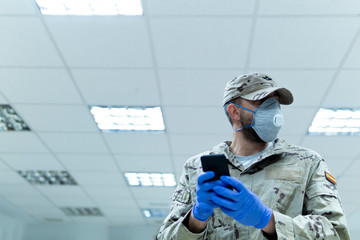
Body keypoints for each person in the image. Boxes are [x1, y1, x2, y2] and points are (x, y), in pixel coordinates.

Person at [156, 73, 350, 240]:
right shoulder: (196, 168)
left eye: (275, 103)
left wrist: (268, 220)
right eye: (262, 101)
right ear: (234, 111)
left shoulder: (307, 163)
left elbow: (336, 232)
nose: (273, 110)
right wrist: (196, 219)